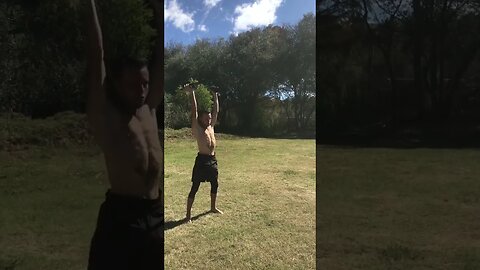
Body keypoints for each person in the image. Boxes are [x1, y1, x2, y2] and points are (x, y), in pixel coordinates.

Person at [85, 0, 163, 269]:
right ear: (115, 85)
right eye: (132, 85)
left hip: (156, 212)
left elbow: (161, 61)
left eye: (145, 83)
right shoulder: (107, 116)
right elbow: (97, 54)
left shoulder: (149, 109)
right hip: (122, 219)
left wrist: (160, 11)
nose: (141, 91)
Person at [184, 84, 223, 223]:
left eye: (210, 117)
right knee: (195, 187)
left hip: (213, 159)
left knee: (215, 184)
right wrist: (192, 93)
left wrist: (215, 95)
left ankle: (213, 207)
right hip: (201, 161)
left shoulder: (211, 127)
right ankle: (188, 215)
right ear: (200, 119)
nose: (209, 119)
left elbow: (216, 111)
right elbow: (194, 111)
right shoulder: (197, 129)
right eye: (206, 118)